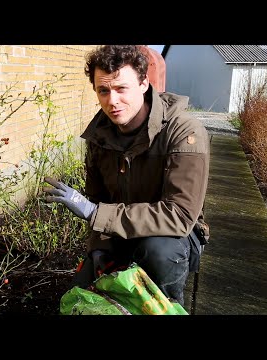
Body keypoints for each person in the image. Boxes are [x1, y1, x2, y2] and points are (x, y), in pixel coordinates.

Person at [43, 45, 210, 306]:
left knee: (157, 253)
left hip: (173, 238)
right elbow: (99, 199)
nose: (112, 101)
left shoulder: (183, 131)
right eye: (103, 90)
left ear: (144, 84)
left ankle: (169, 304)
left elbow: (180, 216)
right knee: (77, 300)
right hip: (120, 232)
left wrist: (95, 214)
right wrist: (98, 246)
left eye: (121, 88)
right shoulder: (100, 136)